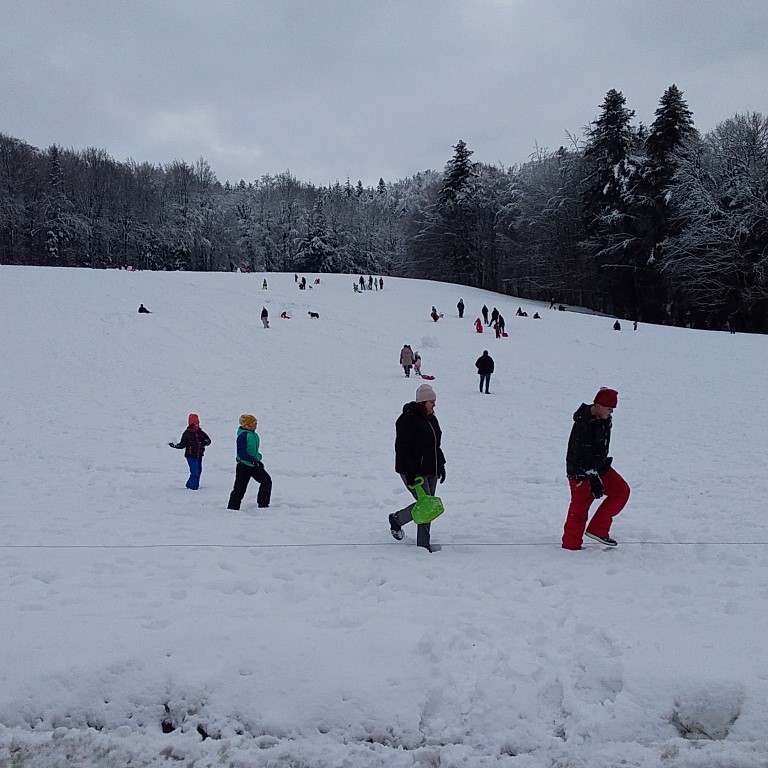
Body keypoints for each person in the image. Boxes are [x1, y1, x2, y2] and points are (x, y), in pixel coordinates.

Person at [562, 388, 630, 550]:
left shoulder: (604, 419)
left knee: (621, 491)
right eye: (609, 408)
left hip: (600, 468)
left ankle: (598, 529)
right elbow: (579, 455)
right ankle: (571, 546)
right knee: (580, 508)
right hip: (581, 473)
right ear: (598, 406)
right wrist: (592, 477)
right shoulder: (584, 424)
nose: (611, 412)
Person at [388, 383, 446, 553]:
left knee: (428, 505)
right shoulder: (407, 419)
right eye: (431, 402)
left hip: (431, 469)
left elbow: (435, 445)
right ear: (422, 402)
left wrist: (441, 464)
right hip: (414, 471)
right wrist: (409, 472)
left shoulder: (431, 418)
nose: (434, 405)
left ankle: (398, 520)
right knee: (426, 505)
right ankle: (422, 545)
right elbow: (402, 447)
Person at [227, 414, 272, 510]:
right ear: (247, 425)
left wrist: (258, 459)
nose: (256, 425)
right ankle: (232, 509)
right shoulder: (243, 436)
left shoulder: (254, 434)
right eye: (254, 423)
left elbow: (253, 451)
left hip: (254, 465)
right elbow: (241, 453)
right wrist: (253, 460)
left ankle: (263, 505)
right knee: (239, 489)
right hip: (243, 466)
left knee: (266, 481)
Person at [168, 413, 211, 490]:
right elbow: (182, 445)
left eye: (198, 423)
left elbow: (208, 440)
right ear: (192, 424)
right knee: (195, 472)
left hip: (199, 455)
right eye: (196, 423)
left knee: (198, 471)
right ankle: (194, 489)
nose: (198, 425)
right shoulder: (187, 434)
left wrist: (205, 442)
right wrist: (175, 446)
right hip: (190, 456)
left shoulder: (200, 432)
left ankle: (189, 485)